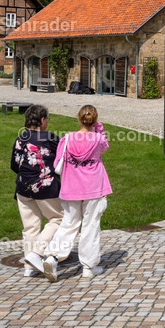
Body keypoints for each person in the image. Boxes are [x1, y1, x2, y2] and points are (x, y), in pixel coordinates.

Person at [41, 105, 112, 281]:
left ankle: (53, 256)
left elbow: (58, 161)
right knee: (90, 226)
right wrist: (99, 128)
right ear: (94, 121)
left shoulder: (67, 139)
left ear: (78, 119)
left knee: (68, 223)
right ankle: (88, 266)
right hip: (93, 188)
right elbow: (105, 146)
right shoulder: (98, 140)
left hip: (71, 188)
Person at [11, 105, 64, 278]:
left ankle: (29, 267)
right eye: (47, 119)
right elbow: (62, 160)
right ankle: (37, 253)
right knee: (58, 219)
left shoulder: (21, 138)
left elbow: (14, 165)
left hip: (23, 188)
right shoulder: (50, 138)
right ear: (42, 120)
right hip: (45, 187)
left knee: (30, 226)